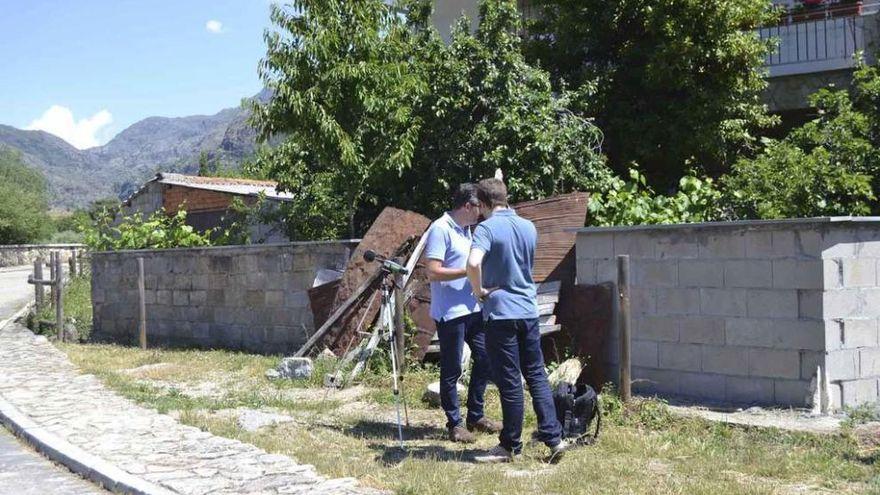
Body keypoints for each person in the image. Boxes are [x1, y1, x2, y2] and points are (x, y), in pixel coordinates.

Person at [466, 178, 569, 463]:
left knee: (510, 380)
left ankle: (509, 445)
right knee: (536, 374)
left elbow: (473, 263)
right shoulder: (528, 226)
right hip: (528, 309)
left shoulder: (486, 228)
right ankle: (554, 438)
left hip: (501, 313)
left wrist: (479, 291)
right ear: (506, 198)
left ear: (484, 204)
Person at [424, 183, 502, 443]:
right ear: (467, 206)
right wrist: (467, 271)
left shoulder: (468, 231)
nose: (481, 213)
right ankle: (455, 423)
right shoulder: (440, 229)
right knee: (452, 367)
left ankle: (475, 416)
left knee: (485, 359)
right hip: (450, 312)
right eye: (478, 207)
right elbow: (432, 271)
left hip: (472, 309)